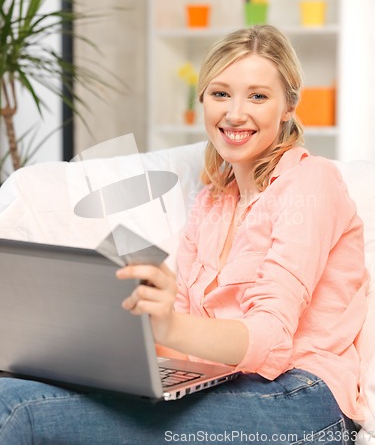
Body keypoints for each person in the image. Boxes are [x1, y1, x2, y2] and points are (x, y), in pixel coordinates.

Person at [0, 25, 368, 443]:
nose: (234, 113)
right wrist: (117, 349)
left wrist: (168, 326)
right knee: (15, 390)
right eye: (220, 93)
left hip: (302, 400)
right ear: (203, 101)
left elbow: (270, 339)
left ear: (288, 106)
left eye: (258, 96)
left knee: (17, 411)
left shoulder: (311, 182)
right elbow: (183, 330)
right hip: (221, 385)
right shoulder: (212, 200)